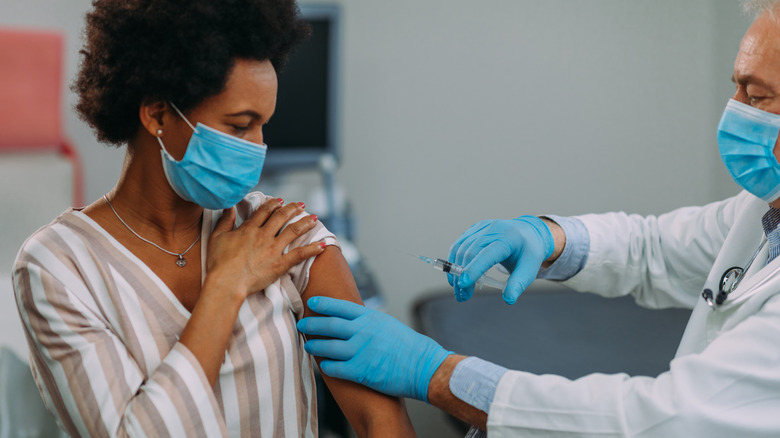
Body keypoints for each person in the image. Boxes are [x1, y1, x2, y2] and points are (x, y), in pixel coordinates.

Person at [296, 1, 780, 436]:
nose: (732, 112)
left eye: (756, 97)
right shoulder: (765, 206)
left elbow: (660, 419)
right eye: (735, 87)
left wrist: (437, 375)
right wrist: (548, 238)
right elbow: (654, 247)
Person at [11, 0, 416, 436]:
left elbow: (379, 420)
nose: (256, 153)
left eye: (263, 126)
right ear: (158, 113)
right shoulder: (56, 267)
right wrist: (228, 284)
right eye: (240, 126)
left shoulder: (281, 234)